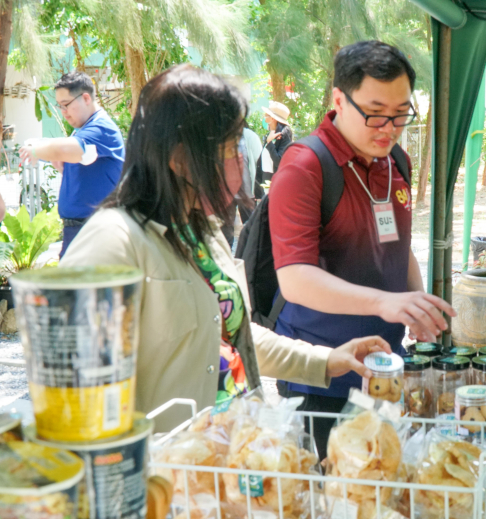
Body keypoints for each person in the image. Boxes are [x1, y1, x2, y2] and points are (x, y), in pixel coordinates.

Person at [59, 64, 390, 431]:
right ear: (179, 158)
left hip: (237, 454)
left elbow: (236, 334)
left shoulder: (203, 231)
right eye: (231, 147)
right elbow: (77, 393)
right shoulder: (112, 243)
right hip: (172, 464)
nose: (242, 159)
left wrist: (327, 360)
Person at [268, 40, 454, 455]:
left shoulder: (396, 160)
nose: (389, 128)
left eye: (401, 114)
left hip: (386, 368)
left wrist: (416, 305)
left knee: (384, 479)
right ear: (339, 99)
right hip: (322, 374)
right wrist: (384, 303)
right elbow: (295, 278)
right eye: (374, 113)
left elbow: (399, 246)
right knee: (331, 488)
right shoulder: (305, 166)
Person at [19, 71, 124, 257]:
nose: (63, 112)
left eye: (66, 104)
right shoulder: (82, 131)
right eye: (60, 106)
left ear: (86, 98)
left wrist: (36, 150)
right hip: (79, 229)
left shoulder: (101, 127)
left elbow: (66, 149)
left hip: (96, 230)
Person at [254, 102, 293, 198]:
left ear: (272, 118)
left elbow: (279, 161)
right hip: (265, 181)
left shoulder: (284, 136)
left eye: (266, 115)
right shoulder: (270, 134)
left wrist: (270, 143)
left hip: (275, 183)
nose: (264, 117)